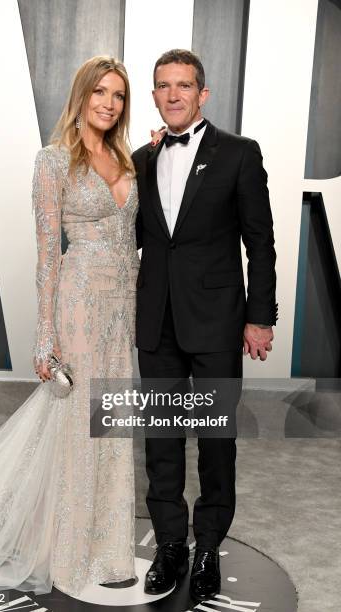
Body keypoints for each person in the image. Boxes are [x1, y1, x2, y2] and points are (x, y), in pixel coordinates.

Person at [0, 56, 139, 597]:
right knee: (78, 427)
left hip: (122, 313)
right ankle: (66, 551)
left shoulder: (126, 158)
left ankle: (106, 547)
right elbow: (50, 254)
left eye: (117, 95)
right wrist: (44, 336)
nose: (108, 103)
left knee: (112, 425)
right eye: (99, 92)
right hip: (79, 307)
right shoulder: (53, 162)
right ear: (81, 95)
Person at [133, 49, 277, 603]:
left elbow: (259, 242)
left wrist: (259, 318)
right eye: (163, 86)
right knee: (160, 440)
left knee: (218, 440)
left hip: (218, 323)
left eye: (183, 86)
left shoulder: (239, 154)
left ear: (203, 94)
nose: (173, 95)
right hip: (157, 324)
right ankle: (170, 543)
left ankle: (209, 544)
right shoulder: (141, 158)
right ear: (154, 95)